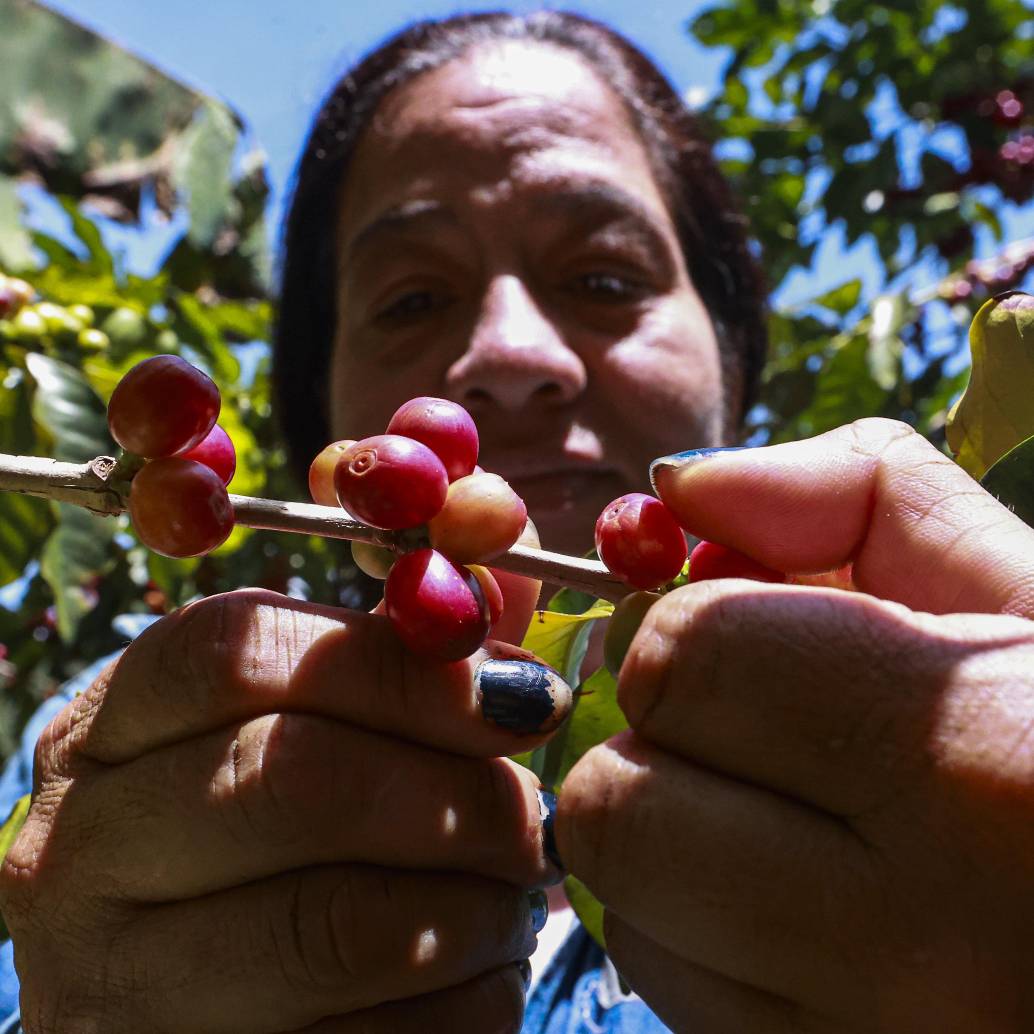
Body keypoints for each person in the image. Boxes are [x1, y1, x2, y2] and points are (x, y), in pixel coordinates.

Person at [1, 9, 1033, 1033]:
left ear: (731, 347)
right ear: (315, 395)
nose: (507, 352)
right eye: (411, 299)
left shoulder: (976, 654)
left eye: (600, 278)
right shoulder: (102, 794)